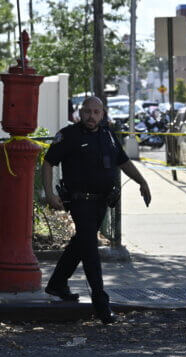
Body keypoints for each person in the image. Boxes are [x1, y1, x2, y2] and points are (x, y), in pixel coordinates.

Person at [42, 96, 152, 324]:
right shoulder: (69, 135)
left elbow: (123, 162)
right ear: (80, 113)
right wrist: (50, 194)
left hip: (102, 202)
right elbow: (48, 162)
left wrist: (142, 181)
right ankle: (101, 304)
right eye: (87, 112)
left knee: (81, 243)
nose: (91, 116)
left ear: (102, 115)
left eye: (96, 112)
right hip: (79, 201)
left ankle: (57, 284)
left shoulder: (108, 135)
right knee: (91, 251)